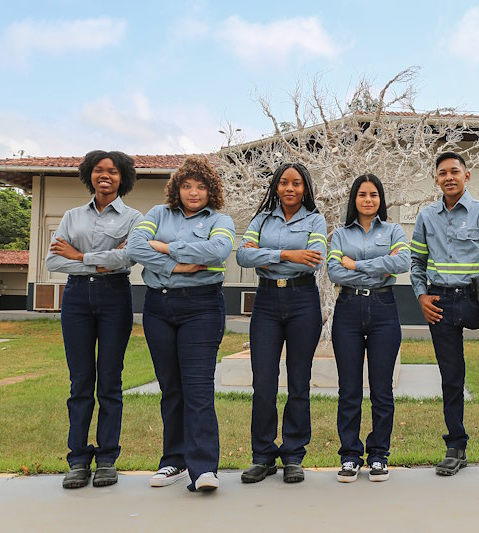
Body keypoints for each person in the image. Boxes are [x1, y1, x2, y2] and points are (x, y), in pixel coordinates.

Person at [127, 156, 235, 492]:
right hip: (158, 306)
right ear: (177, 188)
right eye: (187, 185)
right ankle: (173, 460)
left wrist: (165, 247)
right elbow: (134, 245)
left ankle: (203, 468)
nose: (193, 192)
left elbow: (217, 251)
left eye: (201, 186)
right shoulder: (157, 214)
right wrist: (178, 266)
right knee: (171, 387)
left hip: (201, 307)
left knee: (198, 388)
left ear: (210, 190)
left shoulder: (221, 219)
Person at [410, 151, 479, 476]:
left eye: (455, 171)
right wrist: (421, 296)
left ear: (467, 176)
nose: (449, 177)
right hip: (439, 301)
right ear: (436, 180)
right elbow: (416, 264)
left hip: (476, 300)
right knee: (451, 378)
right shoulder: (426, 217)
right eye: (443, 173)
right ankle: (456, 447)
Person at [47, 150, 142, 489]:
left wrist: (80, 254)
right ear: (89, 175)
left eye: (113, 171)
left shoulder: (134, 218)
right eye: (99, 170)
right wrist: (98, 261)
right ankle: (77, 460)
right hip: (76, 300)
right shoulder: (72, 217)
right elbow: (53, 263)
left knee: (110, 382)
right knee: (80, 382)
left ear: (123, 178)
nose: (105, 176)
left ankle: (106, 460)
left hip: (115, 297)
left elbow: (127, 257)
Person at [237, 163, 327, 485]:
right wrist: (289, 255)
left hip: (302, 302)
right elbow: (243, 256)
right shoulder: (261, 219)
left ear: (305, 188)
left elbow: (315, 257)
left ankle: (292, 455)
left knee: (299, 381)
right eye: (284, 183)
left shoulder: (315, 220)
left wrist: (267, 252)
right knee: (263, 383)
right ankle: (262, 456)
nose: (290, 188)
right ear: (276, 186)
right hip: (266, 304)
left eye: (297, 184)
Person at [327, 174, 410, 483]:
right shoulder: (339, 235)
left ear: (380, 199)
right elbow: (335, 271)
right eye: (362, 194)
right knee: (349, 389)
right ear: (354, 199)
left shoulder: (393, 230)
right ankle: (350, 456)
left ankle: (378, 455)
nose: (368, 200)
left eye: (374, 194)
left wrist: (356, 265)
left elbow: (402, 262)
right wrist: (378, 264)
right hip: (347, 310)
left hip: (384, 310)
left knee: (381, 389)